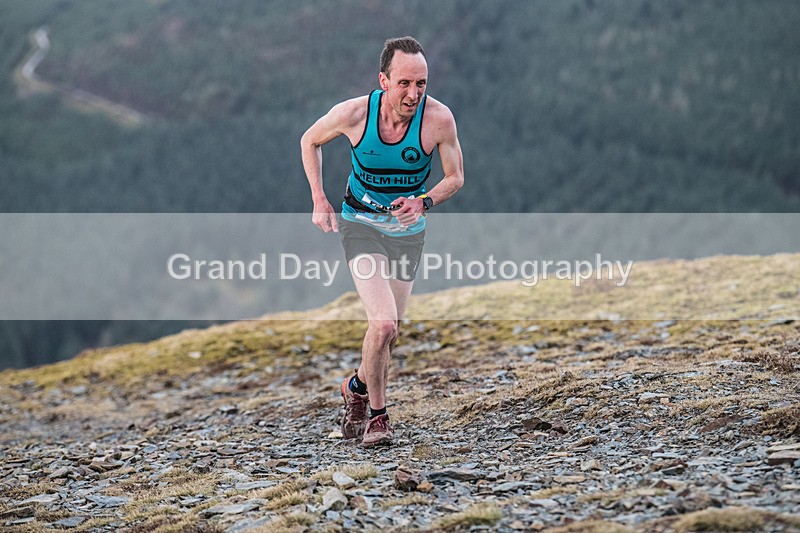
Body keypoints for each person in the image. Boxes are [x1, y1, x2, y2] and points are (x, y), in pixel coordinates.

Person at [300, 36, 464, 446]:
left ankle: (355, 386)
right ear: (384, 80)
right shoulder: (355, 114)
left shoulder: (439, 120)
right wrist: (319, 199)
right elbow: (310, 141)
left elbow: (456, 177)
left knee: (390, 333)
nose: (413, 94)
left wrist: (424, 201)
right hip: (361, 225)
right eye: (405, 83)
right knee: (383, 322)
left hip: (407, 234)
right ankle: (377, 415)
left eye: (421, 84)